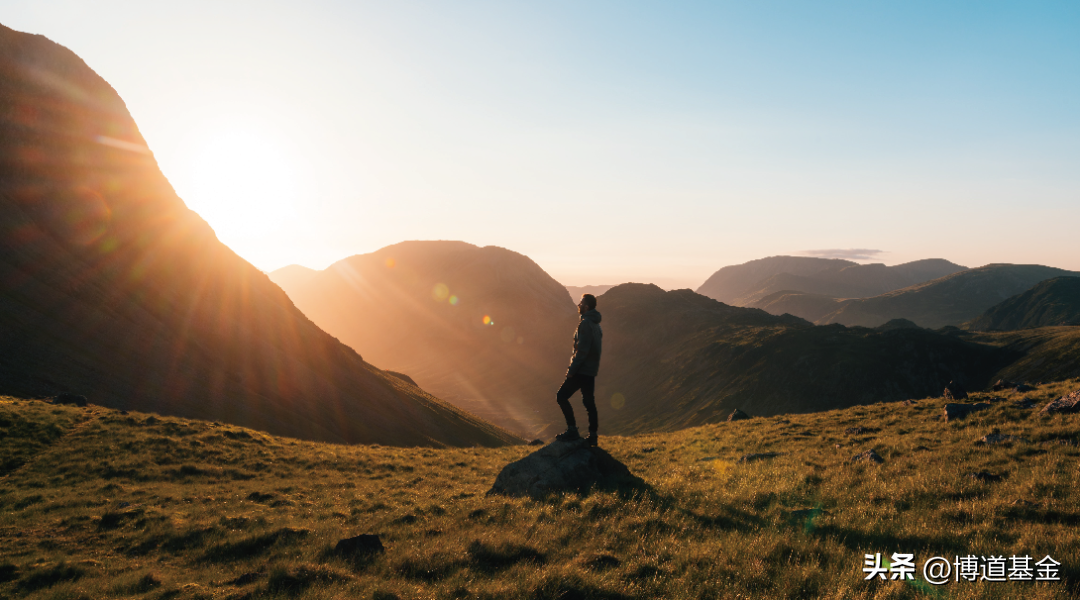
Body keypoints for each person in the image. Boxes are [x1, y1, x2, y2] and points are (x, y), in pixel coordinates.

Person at [555, 293, 602, 446]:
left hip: (581, 370)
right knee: (589, 403)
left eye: (581, 303)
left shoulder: (586, 324)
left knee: (561, 396)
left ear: (586, 307)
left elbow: (582, 351)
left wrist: (572, 370)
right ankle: (593, 436)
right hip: (590, 371)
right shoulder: (596, 325)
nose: (578, 305)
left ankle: (572, 430)